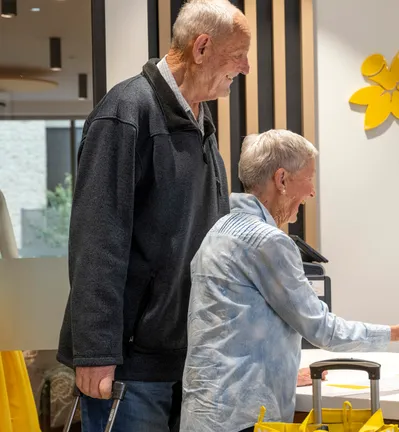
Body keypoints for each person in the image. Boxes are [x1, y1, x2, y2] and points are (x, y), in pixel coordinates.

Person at [55, 1, 250, 431]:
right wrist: (96, 352)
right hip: (129, 364)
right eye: (239, 54)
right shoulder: (126, 111)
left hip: (187, 355)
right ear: (201, 48)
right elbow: (97, 239)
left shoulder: (200, 120)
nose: (248, 67)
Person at [180, 129, 399, 432]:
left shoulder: (219, 230)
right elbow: (323, 330)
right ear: (282, 180)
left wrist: (283, 367)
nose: (312, 192)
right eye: (309, 178)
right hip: (245, 419)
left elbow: (228, 328)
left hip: (204, 412)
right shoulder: (267, 241)